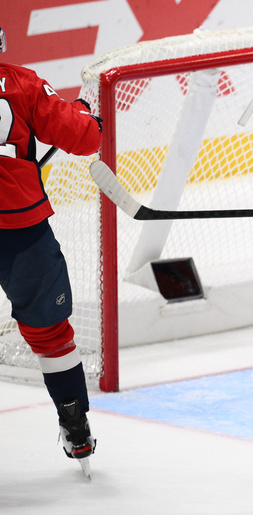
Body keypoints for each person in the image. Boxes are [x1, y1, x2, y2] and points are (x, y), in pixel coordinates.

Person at [0, 25, 103, 470]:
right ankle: (75, 425)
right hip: (20, 229)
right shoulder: (20, 83)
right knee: (50, 333)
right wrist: (83, 113)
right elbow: (86, 138)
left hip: (21, 226)